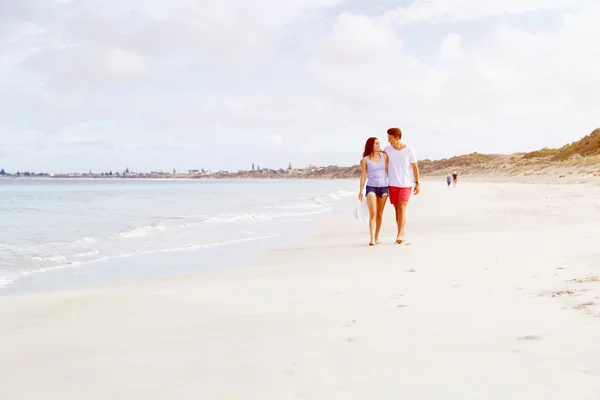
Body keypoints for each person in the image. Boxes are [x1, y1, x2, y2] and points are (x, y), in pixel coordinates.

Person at [383, 127, 420, 244]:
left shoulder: (409, 150)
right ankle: (399, 231)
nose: (388, 140)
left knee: (402, 207)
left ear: (397, 137)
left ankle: (400, 234)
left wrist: (417, 183)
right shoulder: (387, 149)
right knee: (397, 209)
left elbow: (415, 167)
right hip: (392, 183)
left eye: (390, 138)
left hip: (405, 184)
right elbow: (381, 161)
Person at [358, 137, 389, 246]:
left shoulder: (384, 156)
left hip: (384, 187)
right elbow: (363, 176)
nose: (379, 145)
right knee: (373, 213)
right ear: (371, 145)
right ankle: (371, 239)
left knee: (379, 214)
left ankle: (376, 237)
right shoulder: (365, 159)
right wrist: (360, 191)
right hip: (371, 187)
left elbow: (389, 171)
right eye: (376, 144)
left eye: (379, 143)